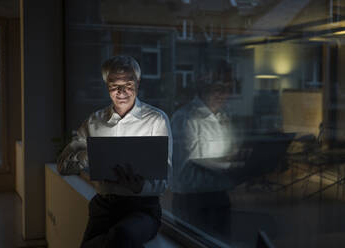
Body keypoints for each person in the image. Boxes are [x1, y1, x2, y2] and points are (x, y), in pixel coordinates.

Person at [57, 55, 172, 248]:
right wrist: (89, 156)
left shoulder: (156, 120)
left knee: (120, 236)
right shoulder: (94, 121)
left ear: (138, 81)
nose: (121, 92)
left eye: (128, 84)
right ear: (106, 84)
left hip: (142, 210)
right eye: (114, 85)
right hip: (104, 207)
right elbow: (62, 166)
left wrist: (139, 187)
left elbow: (165, 178)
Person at [171, 69, 240, 235]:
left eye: (227, 89)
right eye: (217, 89)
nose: (223, 95)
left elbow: (229, 151)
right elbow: (188, 167)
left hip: (219, 195)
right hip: (193, 198)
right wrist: (229, 164)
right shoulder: (185, 118)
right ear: (203, 89)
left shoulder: (223, 117)